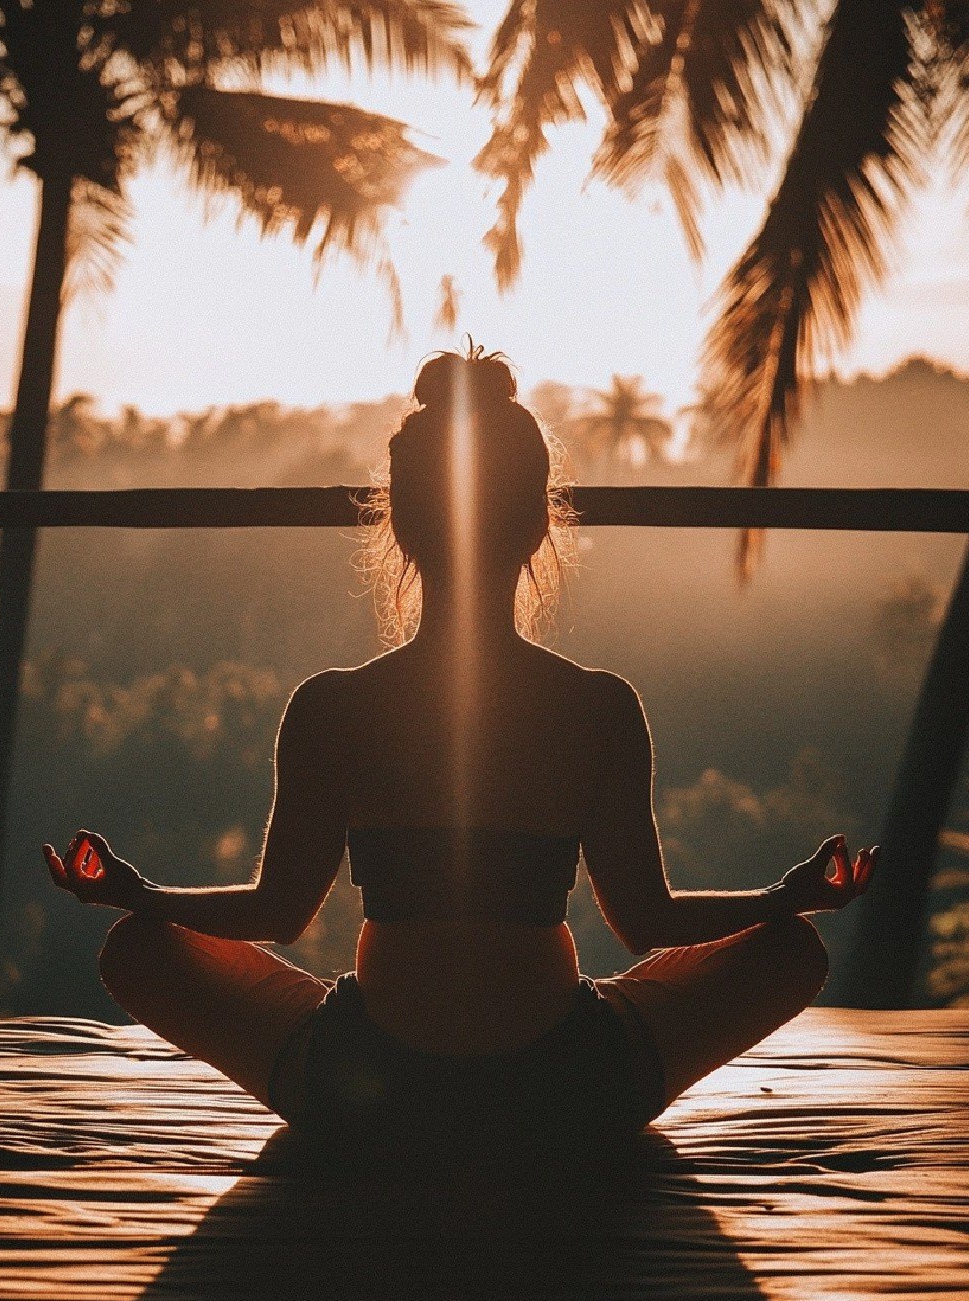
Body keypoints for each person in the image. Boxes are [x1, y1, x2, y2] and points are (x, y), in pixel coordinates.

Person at [44, 346, 877, 1155]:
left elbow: (278, 915)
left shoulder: (333, 706)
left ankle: (402, 1118)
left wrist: (137, 891)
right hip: (573, 1092)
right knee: (791, 949)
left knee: (138, 946)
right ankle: (530, 1119)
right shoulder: (598, 706)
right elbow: (646, 923)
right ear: (538, 526)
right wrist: (784, 895)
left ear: (399, 525)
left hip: (361, 1089)